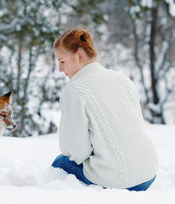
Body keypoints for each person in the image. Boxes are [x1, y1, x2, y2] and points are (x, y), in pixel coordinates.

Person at [51, 28, 158, 191]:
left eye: (62, 61)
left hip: (116, 181)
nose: (60, 69)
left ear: (80, 56)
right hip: (148, 173)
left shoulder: (74, 90)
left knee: (60, 161)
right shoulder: (122, 79)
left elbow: (77, 152)